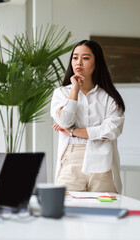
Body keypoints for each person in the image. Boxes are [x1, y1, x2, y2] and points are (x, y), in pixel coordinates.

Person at [50, 40, 125, 194]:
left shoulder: (109, 97)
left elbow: (111, 131)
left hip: (103, 161)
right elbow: (64, 121)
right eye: (75, 57)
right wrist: (75, 90)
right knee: (68, 212)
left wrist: (72, 132)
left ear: (96, 62)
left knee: (104, 213)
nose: (78, 62)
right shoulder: (61, 93)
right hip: (71, 160)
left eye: (85, 58)